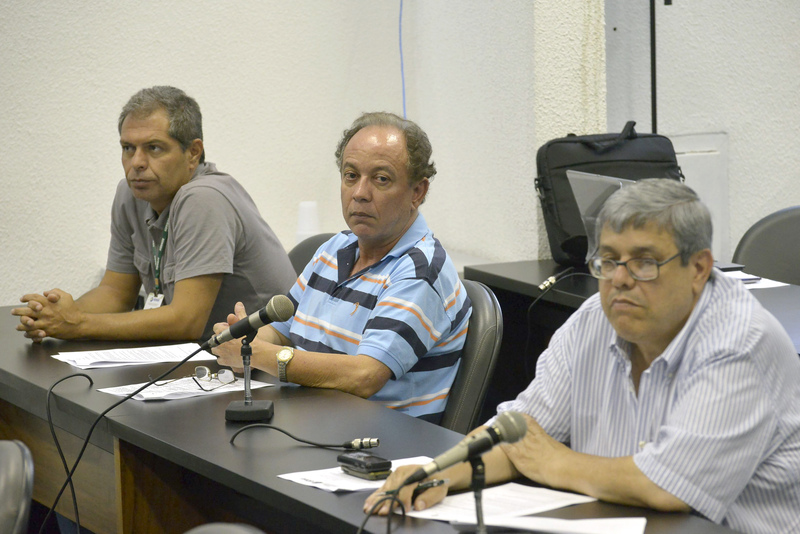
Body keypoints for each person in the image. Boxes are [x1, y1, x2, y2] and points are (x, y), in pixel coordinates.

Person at [366, 179, 800, 534]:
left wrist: (556, 462)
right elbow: (519, 435)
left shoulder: (740, 342)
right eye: (609, 261)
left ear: (699, 268)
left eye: (644, 263)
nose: (620, 280)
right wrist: (440, 472)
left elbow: (670, 486)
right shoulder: (594, 319)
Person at [211, 112, 471, 422]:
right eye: (351, 175)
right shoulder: (334, 250)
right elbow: (281, 332)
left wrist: (257, 355)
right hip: (312, 422)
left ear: (417, 192)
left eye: (381, 179)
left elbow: (364, 376)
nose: (360, 193)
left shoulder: (420, 271)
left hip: (382, 440)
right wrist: (243, 343)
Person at [12, 86, 296, 342]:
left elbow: (187, 322)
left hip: (263, 362)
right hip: (197, 356)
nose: (136, 162)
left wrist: (78, 324)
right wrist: (54, 316)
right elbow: (115, 293)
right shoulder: (131, 194)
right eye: (128, 148)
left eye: (154, 148)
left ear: (193, 153)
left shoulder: (204, 198)